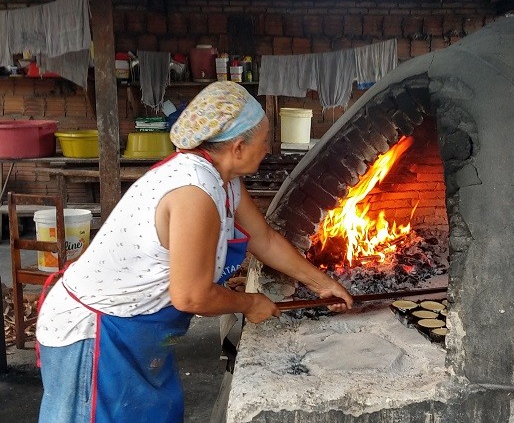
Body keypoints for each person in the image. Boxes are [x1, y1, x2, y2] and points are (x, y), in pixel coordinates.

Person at [35, 81, 353, 422]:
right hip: (97, 334)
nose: (268, 147)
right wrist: (250, 304)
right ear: (238, 146)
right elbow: (191, 296)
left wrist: (321, 283)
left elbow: (265, 239)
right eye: (264, 139)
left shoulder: (225, 180)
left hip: (139, 330)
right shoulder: (194, 192)